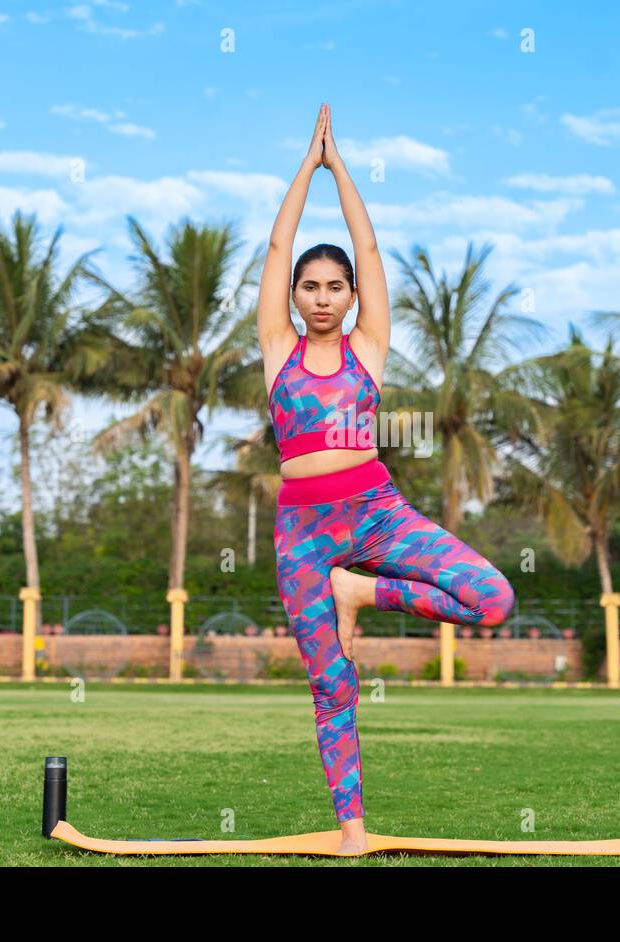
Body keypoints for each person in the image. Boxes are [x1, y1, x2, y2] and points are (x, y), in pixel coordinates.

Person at [256, 104, 515, 854]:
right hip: (303, 532)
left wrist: (344, 171)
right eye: (312, 285)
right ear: (297, 297)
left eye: (337, 285)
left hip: (375, 511)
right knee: (331, 684)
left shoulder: (370, 348)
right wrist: (307, 167)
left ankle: (361, 591)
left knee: (493, 600)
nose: (324, 295)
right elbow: (277, 244)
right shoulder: (279, 349)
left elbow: (368, 244)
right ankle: (353, 831)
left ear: (354, 297)